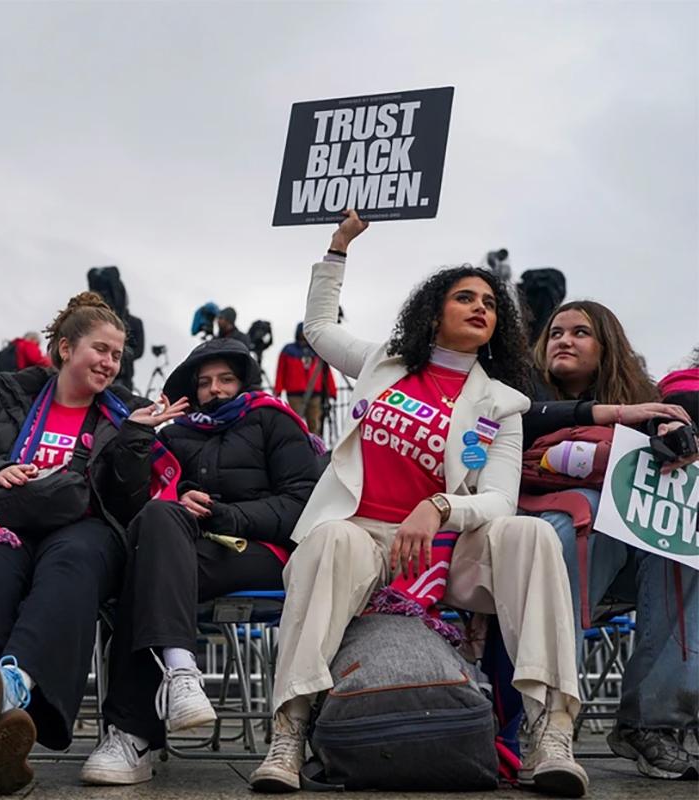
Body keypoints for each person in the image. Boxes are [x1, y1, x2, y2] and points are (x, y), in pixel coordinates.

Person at [251, 210, 586, 797]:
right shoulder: (385, 363)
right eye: (465, 297)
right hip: (363, 536)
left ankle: (550, 733)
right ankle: (289, 733)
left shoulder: (500, 401)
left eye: (489, 302)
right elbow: (318, 327)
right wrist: (338, 247)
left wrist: (439, 506)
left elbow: (500, 502)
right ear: (435, 312)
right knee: (330, 537)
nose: (481, 307)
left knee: (530, 534)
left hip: (445, 549)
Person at [0, 292, 188, 795]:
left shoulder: (125, 414)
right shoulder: (11, 399)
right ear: (66, 348)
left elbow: (129, 501)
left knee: (74, 560)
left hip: (87, 527)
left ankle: (12, 685)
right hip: (8, 522)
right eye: (101, 349)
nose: (110, 363)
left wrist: (134, 439)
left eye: (117, 355)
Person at [82, 337, 322, 784]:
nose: (215, 389)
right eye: (205, 381)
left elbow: (303, 504)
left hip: (263, 552)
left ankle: (130, 734)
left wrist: (226, 513)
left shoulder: (274, 421)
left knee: (144, 572)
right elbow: (126, 503)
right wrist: (137, 437)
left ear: (244, 381)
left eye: (225, 379)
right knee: (154, 525)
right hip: (187, 549)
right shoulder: (173, 433)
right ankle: (181, 673)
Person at [521, 304, 697, 780]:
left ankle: (652, 723)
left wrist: (676, 436)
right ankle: (548, 716)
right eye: (555, 332)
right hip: (541, 534)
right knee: (587, 512)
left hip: (623, 559)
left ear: (607, 347)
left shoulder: (646, 401)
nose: (564, 340)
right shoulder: (520, 389)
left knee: (686, 541)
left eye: (580, 332)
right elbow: (514, 425)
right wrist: (608, 416)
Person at [273, 322, 338, 436]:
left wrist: (332, 391)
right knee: (295, 424)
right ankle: (298, 447)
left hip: (315, 393)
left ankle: (315, 450)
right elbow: (281, 371)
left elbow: (326, 373)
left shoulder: (317, 350)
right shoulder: (288, 350)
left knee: (314, 424)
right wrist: (278, 389)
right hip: (294, 394)